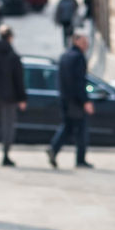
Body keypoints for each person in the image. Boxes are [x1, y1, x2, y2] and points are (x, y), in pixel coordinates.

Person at [47, 30, 93, 169]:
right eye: (84, 42)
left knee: (68, 127)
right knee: (81, 130)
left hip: (65, 99)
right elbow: (80, 82)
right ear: (76, 41)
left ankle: (53, 149)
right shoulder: (78, 57)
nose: (87, 45)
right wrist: (85, 101)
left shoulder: (65, 55)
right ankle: (80, 159)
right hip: (76, 101)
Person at [0, 24, 27, 167]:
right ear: (10, 37)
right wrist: (22, 98)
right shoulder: (12, 56)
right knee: (8, 127)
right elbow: (18, 79)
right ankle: (5, 155)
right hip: (9, 97)